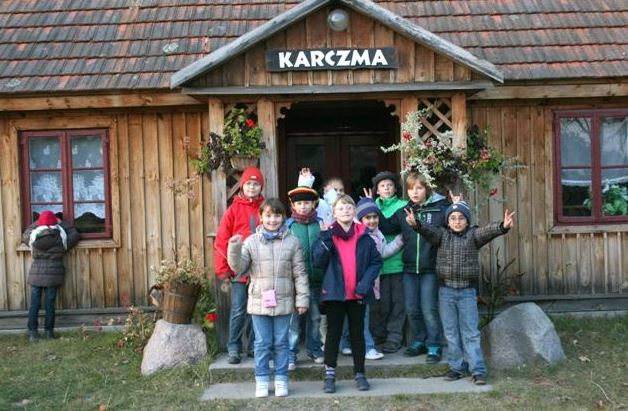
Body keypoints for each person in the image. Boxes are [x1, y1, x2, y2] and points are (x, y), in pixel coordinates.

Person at [405, 200, 515, 385]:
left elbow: (487, 231)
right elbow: (428, 230)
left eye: (461, 218)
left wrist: (502, 226)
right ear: (448, 221)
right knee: (451, 333)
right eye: (453, 218)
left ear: (467, 221)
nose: (457, 221)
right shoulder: (441, 235)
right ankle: (456, 368)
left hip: (467, 293)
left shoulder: (473, 236)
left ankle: (477, 370)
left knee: (470, 333)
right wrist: (416, 224)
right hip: (446, 292)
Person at [227, 198, 309, 398]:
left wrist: (302, 299)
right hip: (259, 301)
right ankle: (262, 379)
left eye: (277, 215)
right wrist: (234, 248)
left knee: (281, 342)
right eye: (268, 215)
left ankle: (281, 379)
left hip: (284, 300)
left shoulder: (293, 242)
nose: (273, 220)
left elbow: (300, 273)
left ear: (283, 217)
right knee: (262, 343)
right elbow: (238, 268)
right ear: (261, 217)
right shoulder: (251, 242)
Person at [312, 195, 382, 393]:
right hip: (334, 293)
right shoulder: (327, 234)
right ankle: (329, 375)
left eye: (349, 207)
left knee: (357, 334)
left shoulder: (364, 235)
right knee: (333, 334)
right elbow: (317, 261)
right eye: (341, 208)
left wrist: (365, 284)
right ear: (334, 213)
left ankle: (360, 373)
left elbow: (376, 262)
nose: (345, 211)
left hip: (358, 293)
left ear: (354, 212)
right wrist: (325, 238)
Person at [378, 172, 449, 363]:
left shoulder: (440, 209)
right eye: (411, 189)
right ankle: (419, 340)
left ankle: (434, 344)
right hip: (409, 268)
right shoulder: (404, 211)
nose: (415, 192)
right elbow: (386, 226)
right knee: (411, 309)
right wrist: (372, 205)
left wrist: (456, 206)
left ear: (427, 189)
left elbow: (453, 223)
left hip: (430, 268)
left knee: (428, 309)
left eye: (419, 188)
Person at [338, 197, 404, 361]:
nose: (372, 220)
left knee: (359, 315)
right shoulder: (357, 234)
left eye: (375, 217)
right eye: (368, 217)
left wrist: (397, 242)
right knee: (359, 316)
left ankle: (347, 343)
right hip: (355, 282)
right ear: (360, 219)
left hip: (369, 282)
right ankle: (367, 347)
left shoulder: (378, 234)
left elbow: (381, 254)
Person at [214, 166, 265, 364]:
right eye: (248, 183)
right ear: (242, 186)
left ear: (261, 187)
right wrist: (223, 269)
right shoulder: (233, 210)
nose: (252, 187)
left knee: (256, 308)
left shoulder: (265, 208)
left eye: (256, 184)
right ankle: (233, 347)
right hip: (239, 270)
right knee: (238, 309)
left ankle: (252, 346)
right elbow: (221, 240)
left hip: (260, 269)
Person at [22, 210, 80, 341]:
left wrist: (40, 221)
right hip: (53, 276)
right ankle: (49, 333)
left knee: (34, 304)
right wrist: (60, 222)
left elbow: (26, 233)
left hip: (36, 275)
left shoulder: (33, 238)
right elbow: (74, 234)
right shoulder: (61, 238)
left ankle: (32, 332)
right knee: (50, 305)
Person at [368, 171, 408, 354]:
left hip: (397, 263)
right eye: (382, 186)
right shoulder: (371, 206)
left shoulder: (403, 206)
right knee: (380, 305)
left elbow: (401, 230)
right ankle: (379, 336)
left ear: (395, 188)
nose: (386, 188)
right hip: (377, 267)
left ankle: (394, 338)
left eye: (390, 185)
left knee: (398, 303)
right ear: (377, 190)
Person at [286, 185, 325, 369]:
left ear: (314, 204)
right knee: (293, 321)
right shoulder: (288, 226)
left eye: (307, 203)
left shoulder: (321, 224)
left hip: (317, 280)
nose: (303, 207)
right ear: (293, 206)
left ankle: (314, 348)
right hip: (294, 282)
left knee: (315, 317)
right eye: (299, 203)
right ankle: (291, 352)